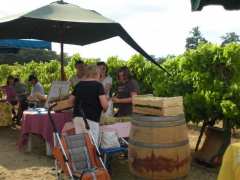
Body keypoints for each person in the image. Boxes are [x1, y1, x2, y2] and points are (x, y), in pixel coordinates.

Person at [68, 65, 108, 143]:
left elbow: (70, 101)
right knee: (92, 145)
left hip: (77, 117)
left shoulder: (79, 84)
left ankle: (82, 156)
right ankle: (93, 156)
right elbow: (105, 105)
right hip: (91, 118)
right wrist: (105, 109)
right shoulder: (98, 85)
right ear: (96, 74)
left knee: (82, 144)